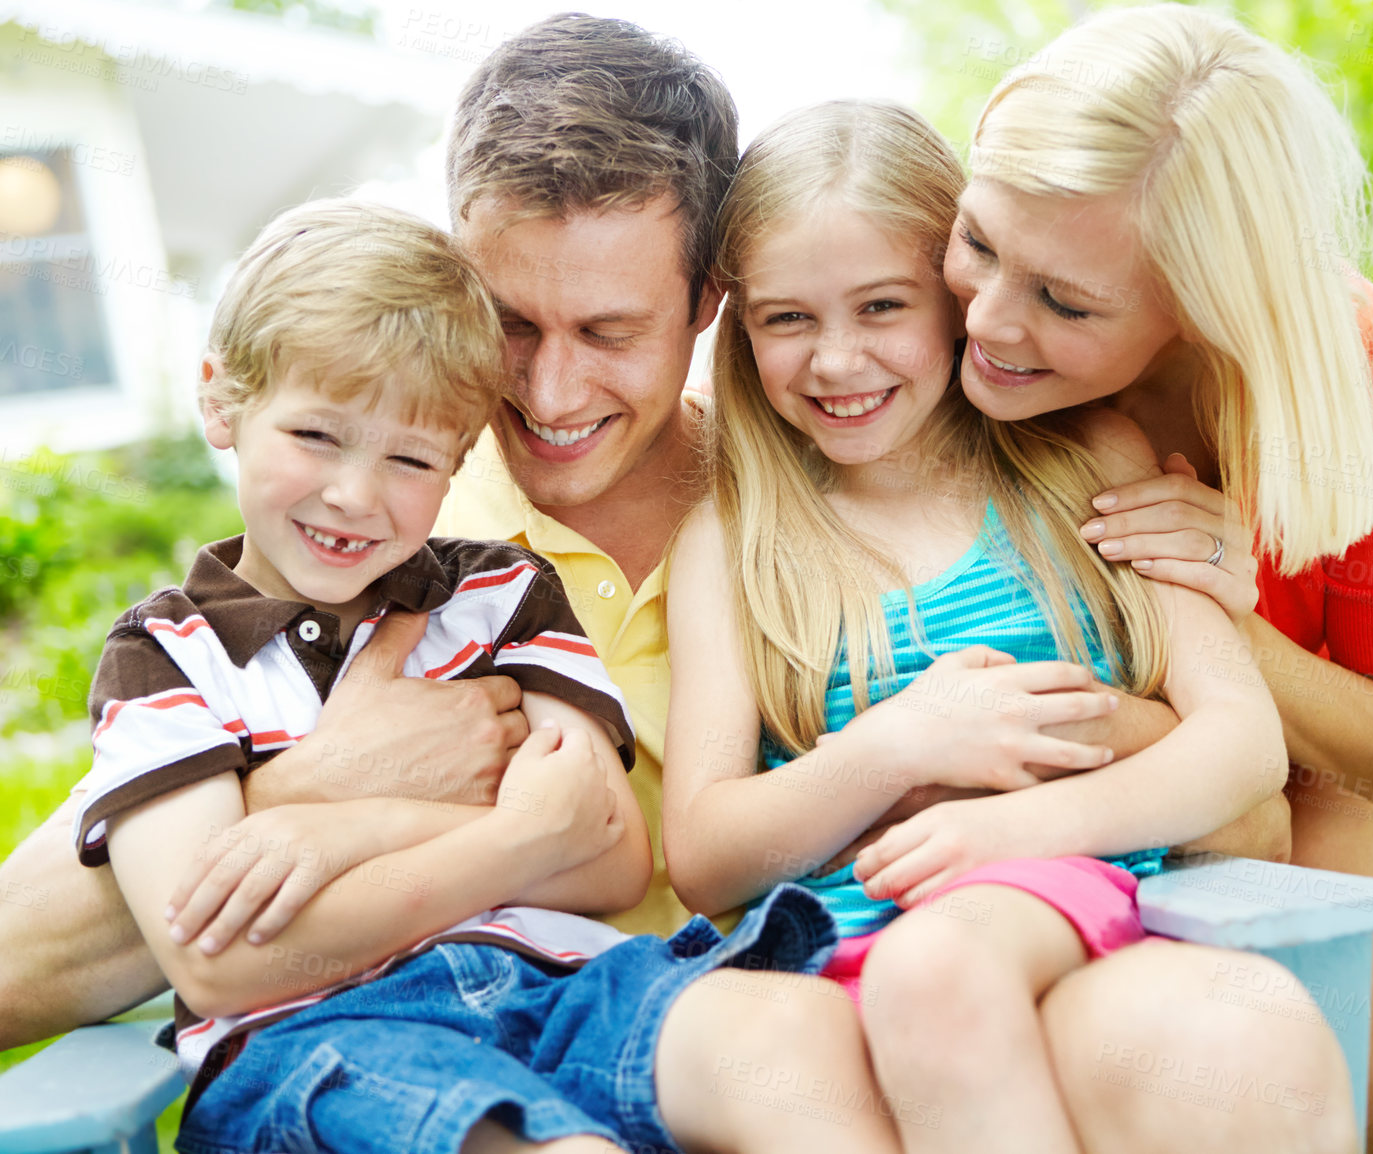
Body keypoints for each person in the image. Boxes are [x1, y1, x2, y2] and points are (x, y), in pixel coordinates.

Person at [0, 14, 1328, 1153]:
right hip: (467, 1056)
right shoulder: (388, 541)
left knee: (1224, 1043)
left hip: (723, 1019)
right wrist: (315, 786)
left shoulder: (794, 508)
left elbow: (1247, 809)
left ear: (706, 305)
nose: (552, 390)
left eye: (610, 331)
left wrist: (1094, 722)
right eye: (513, 324)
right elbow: (34, 951)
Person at [81, 196, 904, 1154]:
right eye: (316, 437)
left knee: (795, 1035)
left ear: (461, 456)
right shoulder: (167, 659)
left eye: (409, 457)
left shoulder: (497, 594)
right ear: (222, 399)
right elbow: (224, 962)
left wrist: (362, 827)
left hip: (565, 984)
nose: (355, 494)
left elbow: (607, 857)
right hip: (326, 1039)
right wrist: (518, 836)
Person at [661, 100, 1353, 1154]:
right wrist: (898, 743)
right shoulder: (737, 537)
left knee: (950, 968)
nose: (837, 361)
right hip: (831, 953)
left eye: (882, 305)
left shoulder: (1085, 466)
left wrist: (1004, 829)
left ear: (952, 297)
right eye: (786, 319)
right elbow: (705, 854)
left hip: (1049, 905)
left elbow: (1243, 741)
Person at [939, 6, 1373, 1152]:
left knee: (1338, 1008)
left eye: (1066, 304)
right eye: (979, 243)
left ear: (1195, 304)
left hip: (1349, 694)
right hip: (1162, 697)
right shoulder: (978, 314)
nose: (988, 320)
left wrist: (1233, 617)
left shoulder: (1343, 367)